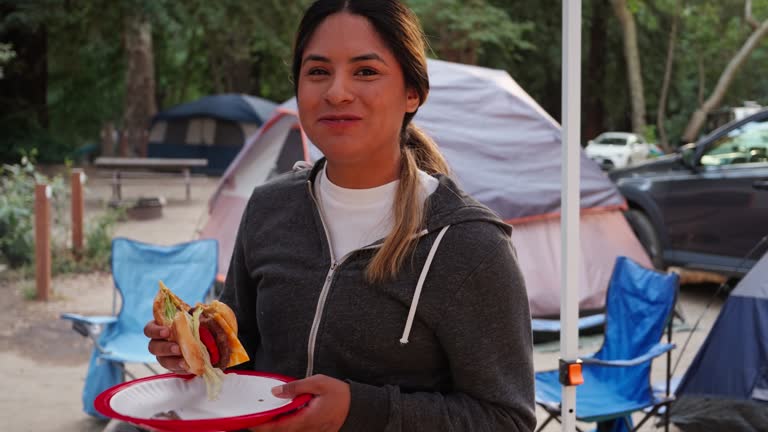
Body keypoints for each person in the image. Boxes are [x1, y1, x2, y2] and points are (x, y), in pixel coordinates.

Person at [145, 0, 535, 430]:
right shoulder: (269, 209)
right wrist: (201, 353)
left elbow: (507, 419)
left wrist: (359, 411)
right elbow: (242, 359)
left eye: (365, 71)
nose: (336, 92)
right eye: (318, 72)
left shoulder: (469, 246)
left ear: (412, 93)